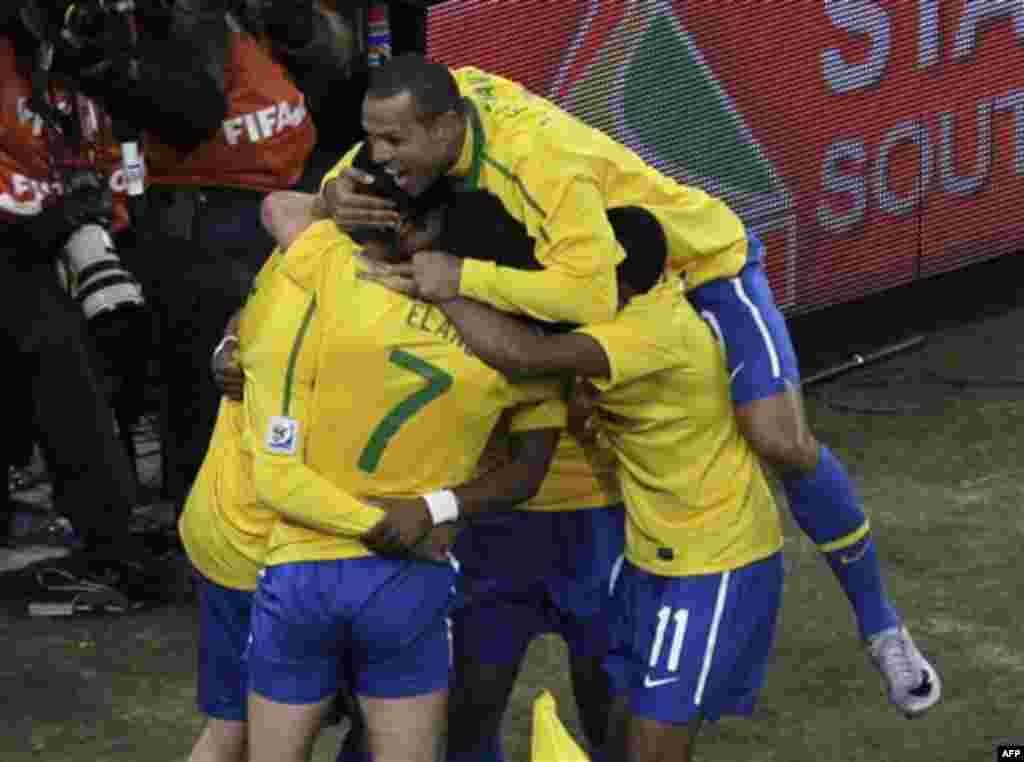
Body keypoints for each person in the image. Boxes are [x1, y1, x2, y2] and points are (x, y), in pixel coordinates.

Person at [321, 53, 941, 718]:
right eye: (375, 139)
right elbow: (360, 158)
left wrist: (461, 277)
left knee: (778, 438)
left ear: (446, 128)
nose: (380, 156)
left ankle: (882, 628)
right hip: (615, 291)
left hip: (700, 264)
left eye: (394, 143)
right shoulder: (456, 96)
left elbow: (585, 292)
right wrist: (335, 184)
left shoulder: (537, 163)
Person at [362, 203, 785, 762]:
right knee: (470, 709)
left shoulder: (644, 324)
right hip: (501, 529)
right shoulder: (528, 258)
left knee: (615, 707)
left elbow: (527, 357)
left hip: (602, 523)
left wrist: (446, 287)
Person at [180, 166, 567, 762]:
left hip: (290, 553)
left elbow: (276, 216)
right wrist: (419, 516)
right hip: (390, 567)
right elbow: (529, 463)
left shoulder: (329, 267)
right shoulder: (516, 348)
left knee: (239, 735)